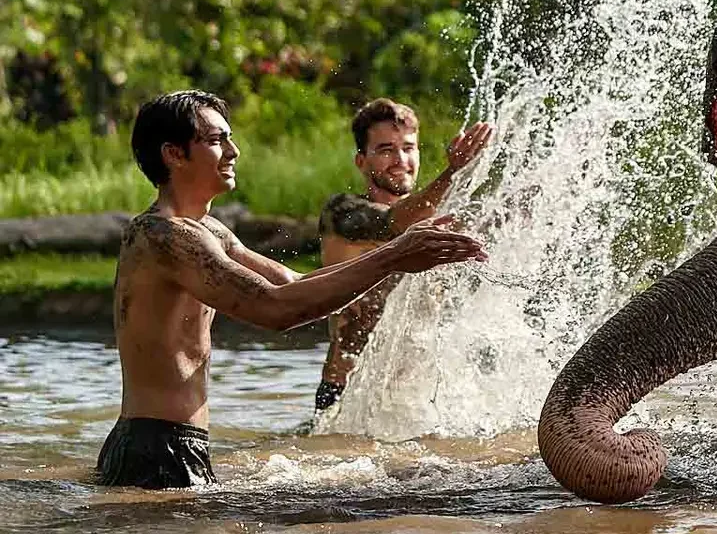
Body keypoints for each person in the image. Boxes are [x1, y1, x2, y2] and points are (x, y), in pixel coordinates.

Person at [103, 90, 487, 489]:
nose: (234, 151)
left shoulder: (210, 231)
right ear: (174, 154)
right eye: (217, 141)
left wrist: (395, 254)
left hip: (174, 443)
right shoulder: (163, 236)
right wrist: (394, 257)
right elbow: (275, 309)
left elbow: (293, 284)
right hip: (156, 447)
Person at [312, 99, 492, 413]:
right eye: (385, 150)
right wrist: (453, 172)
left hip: (415, 400)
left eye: (408, 148)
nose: (400, 160)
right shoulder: (342, 212)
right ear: (361, 161)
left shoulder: (437, 223)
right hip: (349, 395)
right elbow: (394, 222)